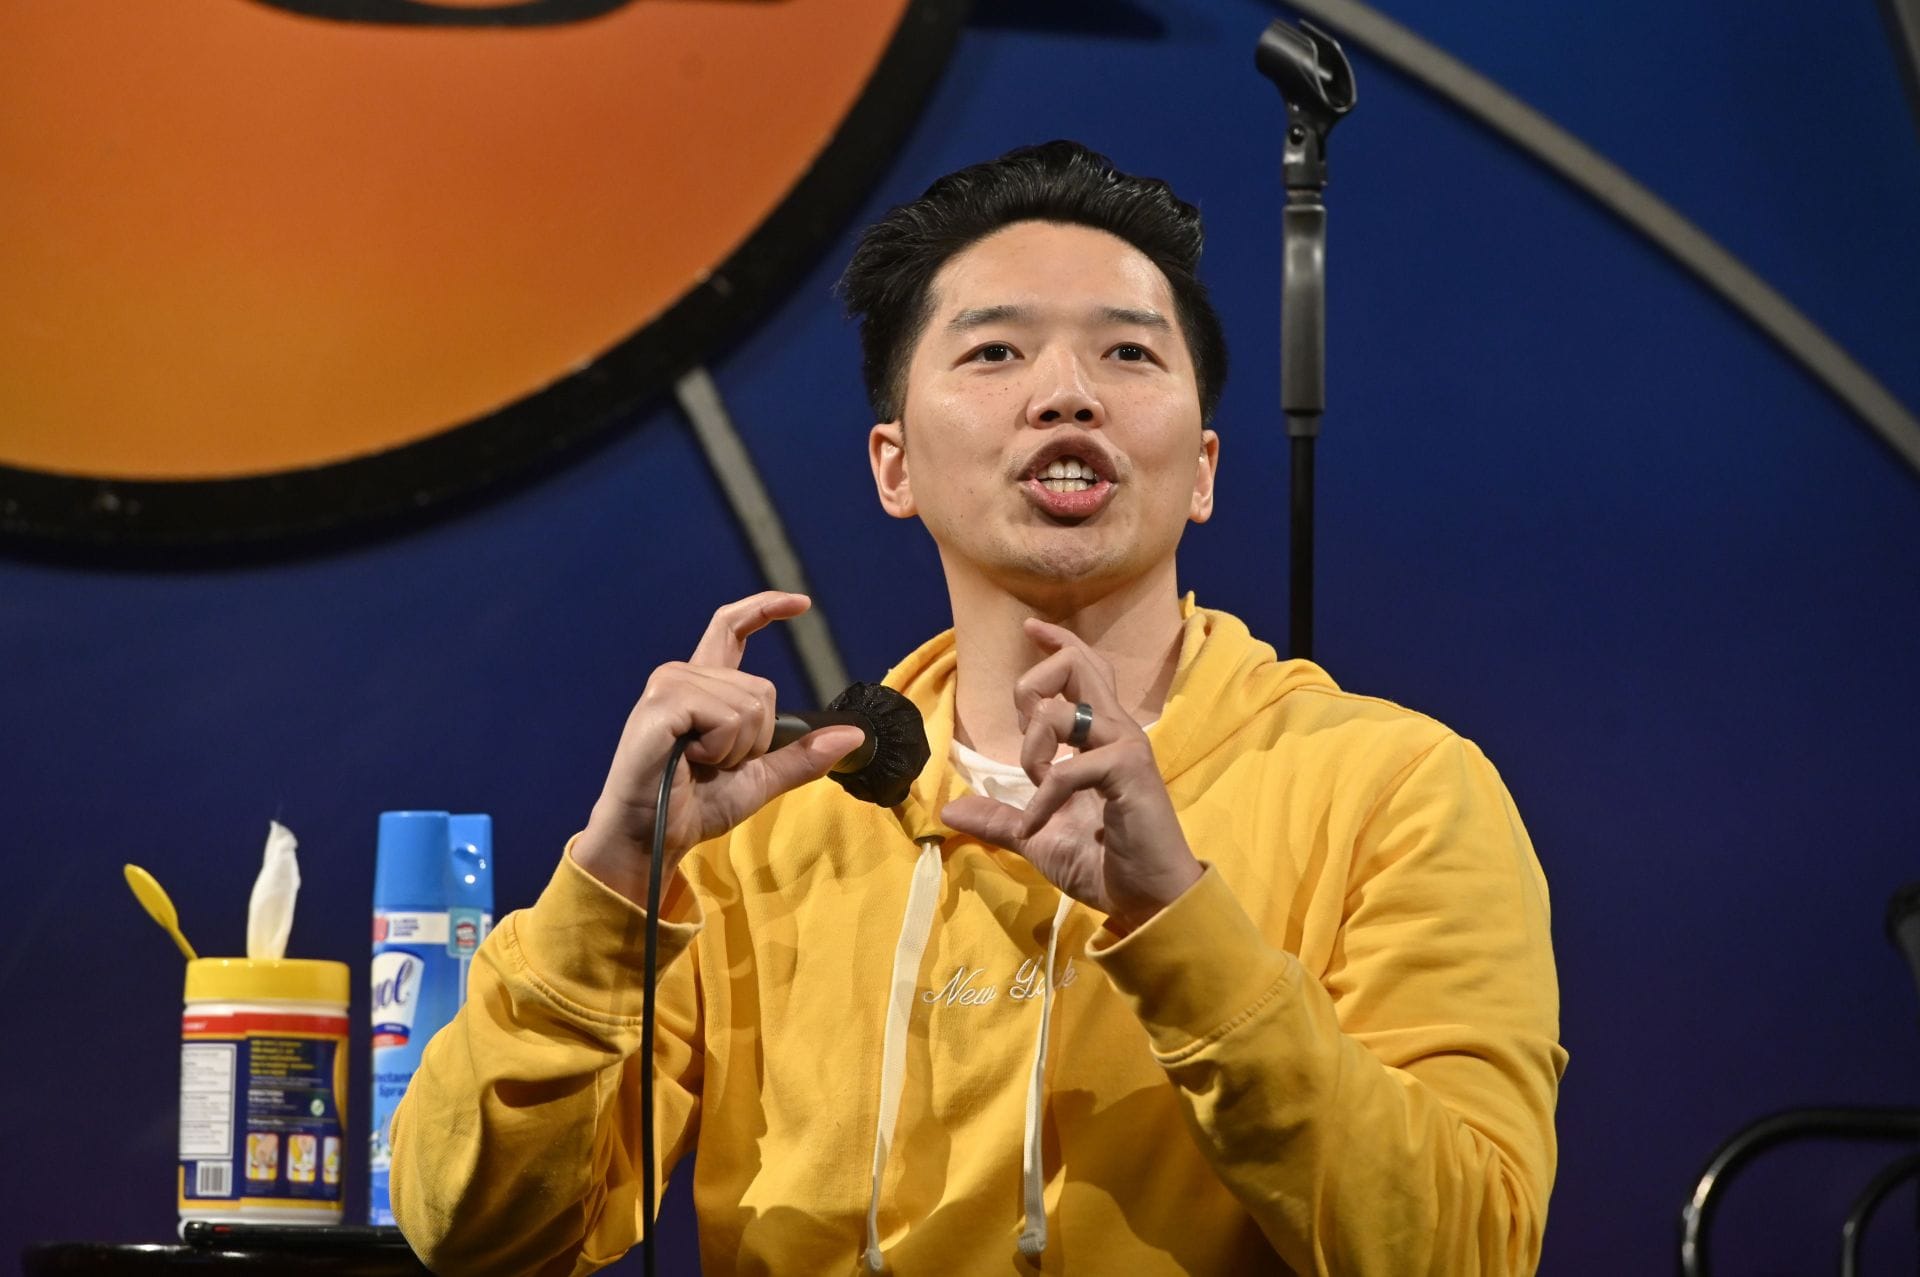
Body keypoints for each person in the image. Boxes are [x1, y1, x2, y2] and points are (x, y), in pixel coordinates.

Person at [390, 140, 1566, 1275]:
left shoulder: (1399, 790)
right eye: (996, 352)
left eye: (1128, 353)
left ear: (1204, 469)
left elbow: (1464, 1250)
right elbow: (468, 1228)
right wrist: (613, 882)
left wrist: (1176, 917)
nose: (1067, 395)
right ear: (893, 465)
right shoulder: (770, 825)